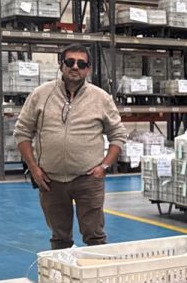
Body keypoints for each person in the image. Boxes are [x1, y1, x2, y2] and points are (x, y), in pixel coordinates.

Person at [14, 44, 128, 250]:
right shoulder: (41, 94)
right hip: (50, 181)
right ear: (61, 65)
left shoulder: (101, 98)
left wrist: (104, 167)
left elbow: (118, 134)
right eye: (70, 62)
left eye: (81, 64)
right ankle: (62, 270)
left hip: (88, 180)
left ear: (88, 69)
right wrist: (34, 168)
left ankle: (95, 271)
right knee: (59, 238)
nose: (75, 67)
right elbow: (22, 131)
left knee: (95, 237)